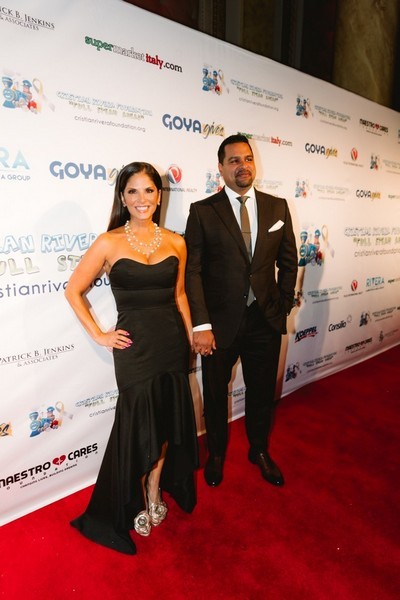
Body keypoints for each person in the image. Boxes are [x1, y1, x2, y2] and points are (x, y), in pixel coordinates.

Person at [65, 162, 199, 555]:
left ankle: (155, 488)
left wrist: (190, 337)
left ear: (159, 195)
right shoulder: (108, 242)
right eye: (133, 191)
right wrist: (100, 334)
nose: (142, 199)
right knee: (139, 424)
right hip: (134, 349)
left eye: (149, 191)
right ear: (122, 197)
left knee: (165, 421)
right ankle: (135, 495)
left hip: (171, 343)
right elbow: (73, 290)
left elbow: (179, 295)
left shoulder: (176, 241)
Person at [185, 134, 297, 488]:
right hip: (219, 325)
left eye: (247, 158)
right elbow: (192, 272)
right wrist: (201, 324)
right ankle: (216, 453)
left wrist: (282, 304)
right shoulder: (203, 211)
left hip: (264, 319)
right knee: (216, 394)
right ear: (220, 168)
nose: (243, 166)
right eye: (234, 160)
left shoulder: (277, 207)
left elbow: (289, 261)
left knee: (262, 391)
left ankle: (259, 450)